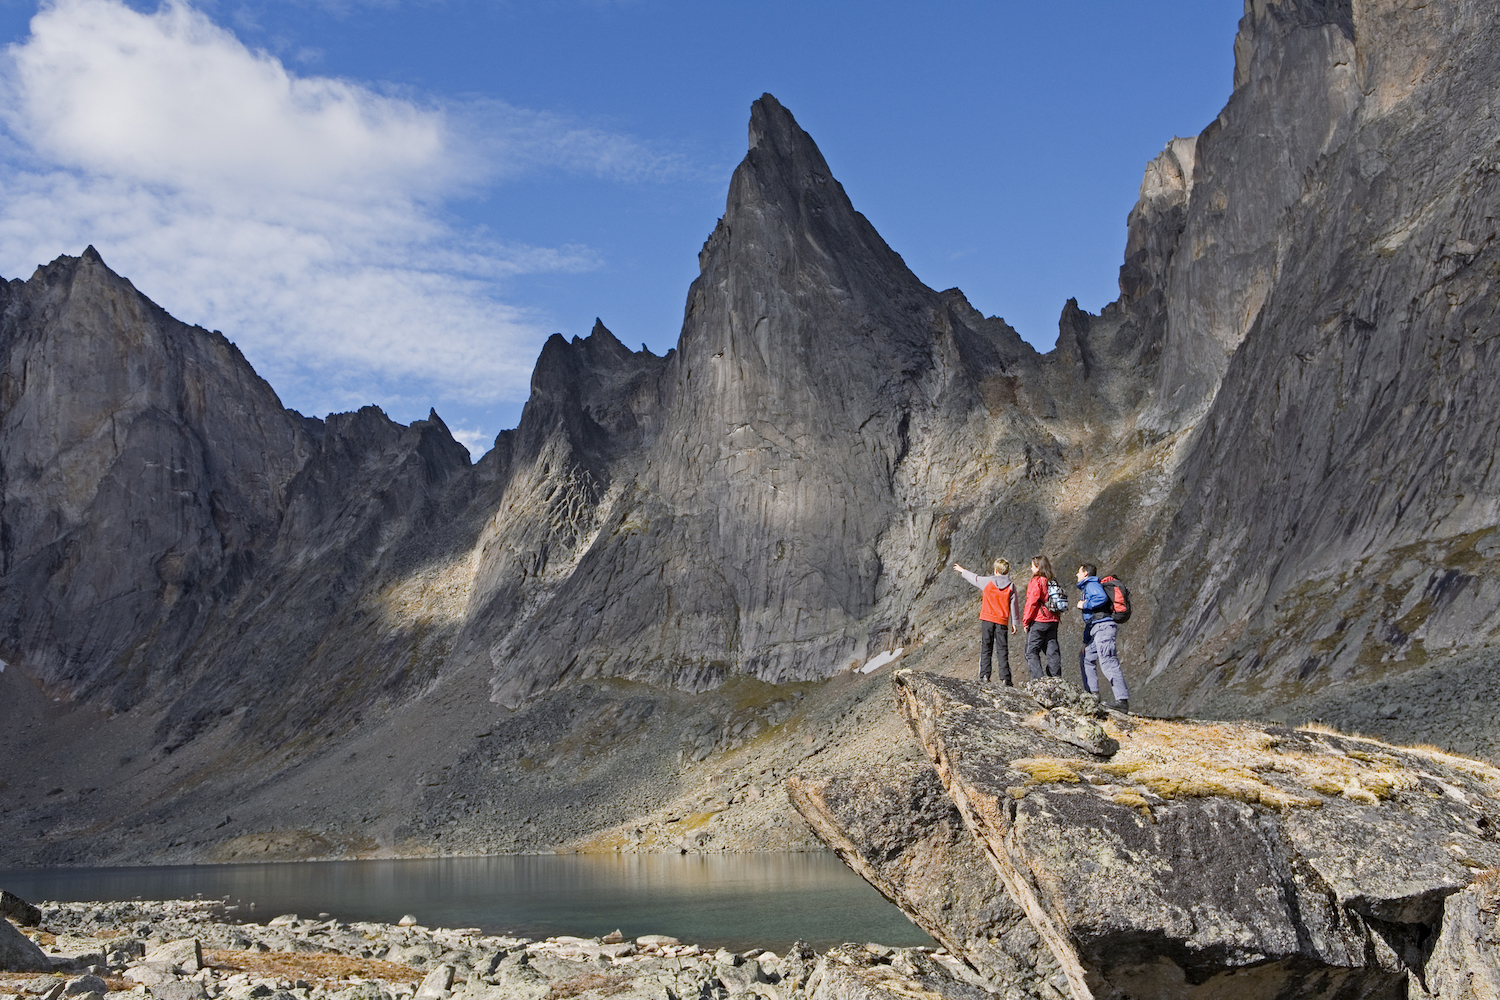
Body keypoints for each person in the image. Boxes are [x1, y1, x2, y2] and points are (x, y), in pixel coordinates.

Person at [952, 559, 1021, 684]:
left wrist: (962, 570)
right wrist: (1015, 622)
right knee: (1002, 649)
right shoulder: (1011, 585)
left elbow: (974, 578)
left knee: (986, 647)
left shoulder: (988, 582)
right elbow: (1014, 604)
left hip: (987, 619)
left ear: (995, 570)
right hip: (1002, 621)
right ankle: (1005, 678)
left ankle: (984, 675)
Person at [1076, 563, 1129, 712]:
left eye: (1079, 572)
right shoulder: (1089, 586)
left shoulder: (1092, 585)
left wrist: (1084, 604)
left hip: (1104, 629)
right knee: (1086, 657)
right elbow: (1091, 619)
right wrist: (1085, 642)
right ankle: (1093, 696)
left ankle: (1122, 701)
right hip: (1097, 629)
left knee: (1108, 662)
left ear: (1085, 573)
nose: (1076, 574)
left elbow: (1101, 599)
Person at [1021, 555, 1062, 679]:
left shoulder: (1037, 581)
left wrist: (1026, 621)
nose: (1031, 569)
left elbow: (1032, 602)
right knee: (1052, 650)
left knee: (1031, 651)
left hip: (1039, 620)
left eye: (1032, 566)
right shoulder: (1052, 580)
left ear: (1038, 567)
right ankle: (1056, 679)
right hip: (1053, 620)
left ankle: (1039, 682)